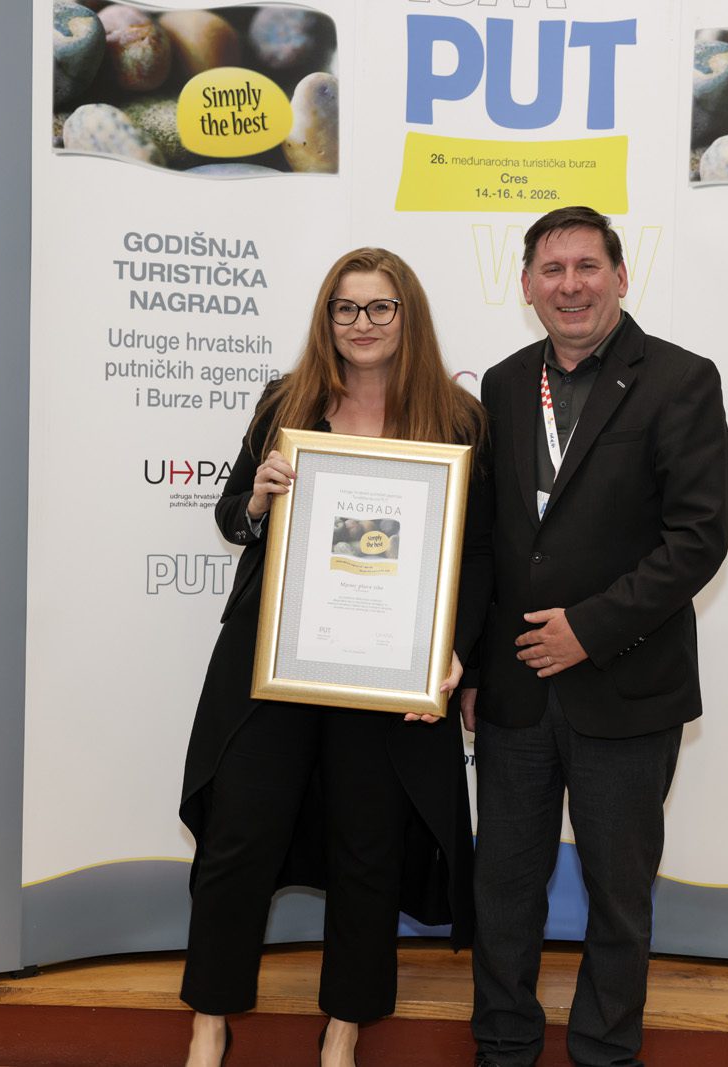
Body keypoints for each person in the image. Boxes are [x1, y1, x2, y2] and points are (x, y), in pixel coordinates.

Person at [179, 248, 485, 1067]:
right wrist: (257, 497)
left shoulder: (456, 420)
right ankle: (209, 1022)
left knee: (368, 848)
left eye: (380, 307)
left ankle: (343, 1029)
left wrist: (455, 652)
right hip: (276, 658)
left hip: (388, 671)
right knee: (238, 838)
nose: (362, 323)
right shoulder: (287, 402)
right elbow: (232, 515)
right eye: (345, 308)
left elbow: (480, 554)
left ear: (407, 315)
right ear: (327, 319)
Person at [455, 207, 728, 1067]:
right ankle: (503, 1045)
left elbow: (698, 538)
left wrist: (589, 628)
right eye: (551, 269)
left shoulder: (681, 380)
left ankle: (605, 1053)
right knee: (504, 888)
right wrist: (471, 664)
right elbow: (489, 540)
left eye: (586, 266)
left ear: (620, 275)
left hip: (627, 686)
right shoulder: (504, 384)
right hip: (514, 690)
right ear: (526, 285)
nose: (569, 285)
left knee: (618, 895)